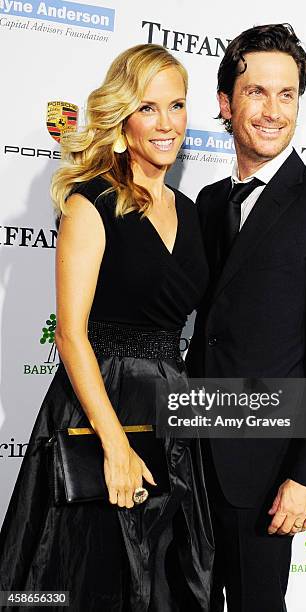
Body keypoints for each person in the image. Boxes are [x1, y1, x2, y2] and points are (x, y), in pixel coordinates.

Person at [0, 44, 214, 612]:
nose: (166, 123)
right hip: (102, 405)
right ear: (123, 116)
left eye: (177, 105)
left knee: (165, 581)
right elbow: (71, 334)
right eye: (149, 107)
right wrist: (114, 443)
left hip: (171, 415)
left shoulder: (191, 211)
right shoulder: (90, 202)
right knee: (85, 576)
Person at [186, 24, 306, 612]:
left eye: (286, 94)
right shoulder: (209, 203)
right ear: (225, 103)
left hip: (266, 471)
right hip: (189, 455)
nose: (272, 110)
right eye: (256, 92)